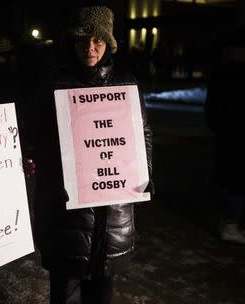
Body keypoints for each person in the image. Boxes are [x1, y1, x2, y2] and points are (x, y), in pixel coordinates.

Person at [31, 6, 153, 304]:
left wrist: (142, 171)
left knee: (102, 292)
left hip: (112, 214)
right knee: (65, 290)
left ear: (108, 43)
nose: (90, 47)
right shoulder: (55, 86)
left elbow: (143, 134)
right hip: (67, 216)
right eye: (83, 39)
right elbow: (38, 139)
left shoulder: (126, 83)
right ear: (72, 43)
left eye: (98, 40)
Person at [205, 24, 245, 245]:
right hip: (236, 137)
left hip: (229, 137)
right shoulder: (232, 75)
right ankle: (230, 224)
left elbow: (211, 112)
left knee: (233, 181)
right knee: (237, 183)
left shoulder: (221, 72)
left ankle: (229, 222)